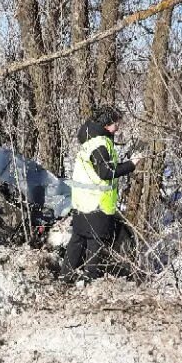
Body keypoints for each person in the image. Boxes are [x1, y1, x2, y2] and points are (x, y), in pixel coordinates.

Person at [63, 104, 144, 280]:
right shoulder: (100, 144)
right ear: (107, 124)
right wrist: (132, 164)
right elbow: (105, 173)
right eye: (116, 123)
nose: (118, 126)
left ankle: (65, 276)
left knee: (77, 240)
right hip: (96, 204)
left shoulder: (91, 140)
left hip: (82, 202)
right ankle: (90, 280)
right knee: (95, 243)